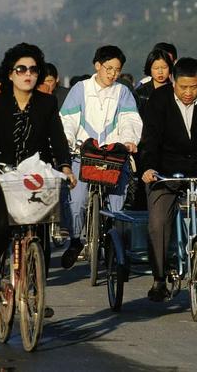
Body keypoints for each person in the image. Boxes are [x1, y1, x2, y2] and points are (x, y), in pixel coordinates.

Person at [0, 43, 77, 297]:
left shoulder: (47, 103)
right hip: (4, 173)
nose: (27, 74)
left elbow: (58, 137)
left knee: (40, 230)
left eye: (33, 69)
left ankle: (35, 293)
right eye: (21, 69)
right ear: (10, 74)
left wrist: (65, 167)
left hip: (37, 173)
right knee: (1, 224)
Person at [139, 57, 197, 301]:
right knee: (159, 220)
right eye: (183, 87)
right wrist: (148, 168)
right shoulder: (158, 101)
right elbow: (150, 139)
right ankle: (159, 278)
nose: (189, 93)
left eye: (194, 87)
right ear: (173, 82)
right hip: (165, 167)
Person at [59, 45, 142, 268]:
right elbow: (67, 118)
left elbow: (130, 119)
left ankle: (113, 241)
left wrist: (129, 140)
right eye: (109, 68)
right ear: (97, 66)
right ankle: (76, 239)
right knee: (75, 199)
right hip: (83, 154)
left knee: (118, 198)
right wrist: (67, 140)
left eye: (117, 69)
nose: (112, 74)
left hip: (113, 156)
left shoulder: (122, 91)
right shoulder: (81, 89)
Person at [133, 48, 174, 120]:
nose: (160, 72)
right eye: (156, 68)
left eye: (164, 67)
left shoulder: (177, 90)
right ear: (149, 69)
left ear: (170, 68)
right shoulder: (141, 93)